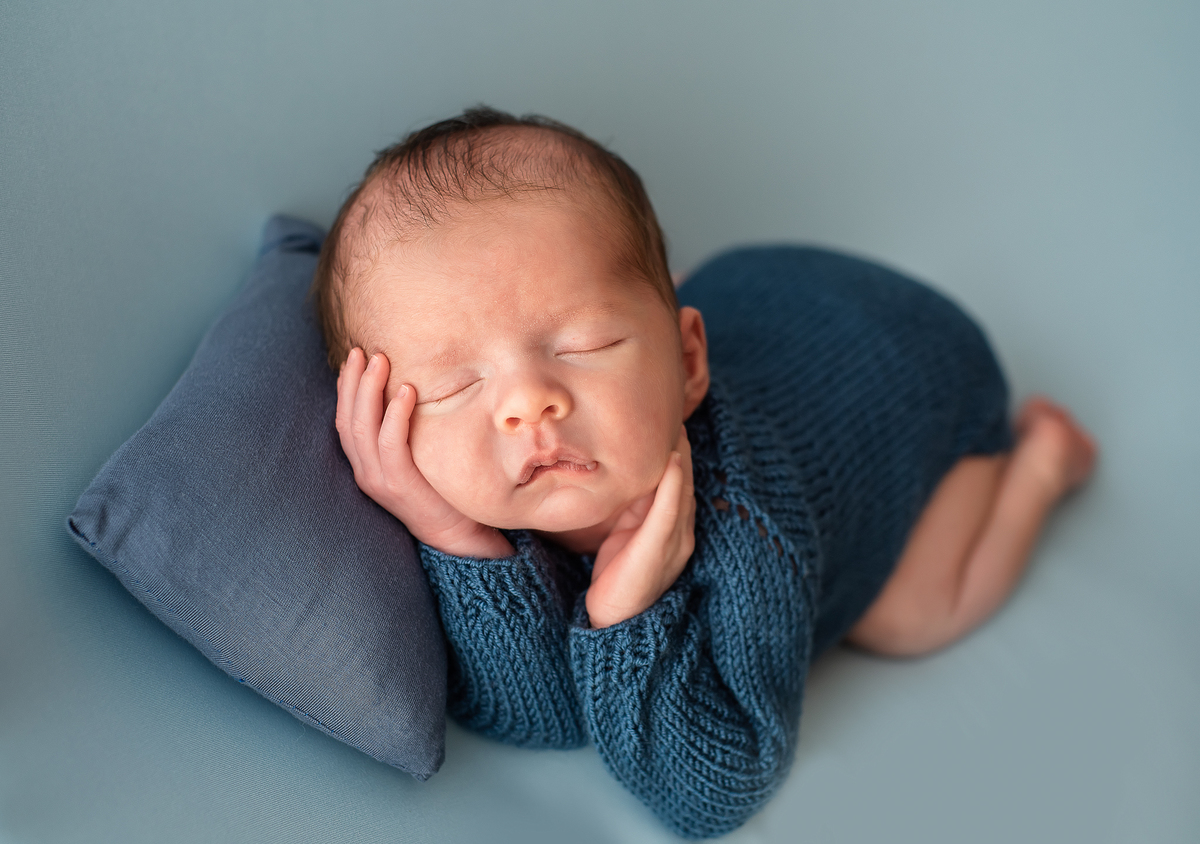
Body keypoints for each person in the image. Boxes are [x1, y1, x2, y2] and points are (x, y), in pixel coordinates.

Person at [312, 107, 1096, 838]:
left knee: (908, 617)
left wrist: (630, 610)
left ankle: (1041, 465)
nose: (528, 404)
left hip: (919, 370)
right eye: (452, 387)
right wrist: (450, 534)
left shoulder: (749, 533)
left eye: (582, 345)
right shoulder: (475, 492)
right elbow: (539, 715)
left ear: (690, 362)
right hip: (770, 288)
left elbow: (716, 791)